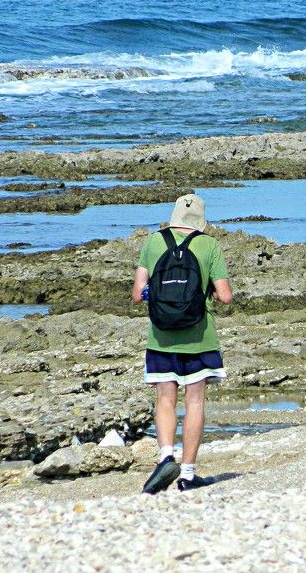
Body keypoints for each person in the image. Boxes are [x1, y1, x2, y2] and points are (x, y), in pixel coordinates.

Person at [131, 194, 233, 494]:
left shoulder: (153, 242)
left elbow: (138, 293)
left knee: (165, 398)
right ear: (201, 220)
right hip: (199, 336)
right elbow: (225, 296)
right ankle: (187, 474)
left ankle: (165, 456)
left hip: (161, 336)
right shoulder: (209, 245)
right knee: (195, 401)